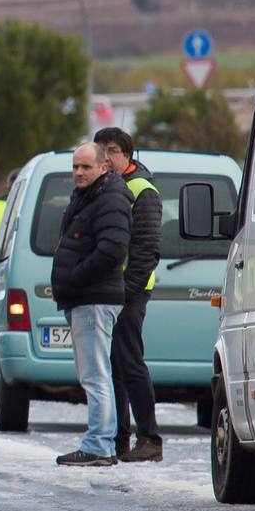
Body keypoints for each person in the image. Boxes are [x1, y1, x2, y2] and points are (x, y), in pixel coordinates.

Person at [52, 142, 134, 466]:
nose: (78, 173)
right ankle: (102, 441)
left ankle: (99, 443)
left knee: (95, 375)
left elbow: (113, 248)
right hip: (87, 297)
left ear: (103, 167)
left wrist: (75, 277)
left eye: (85, 166)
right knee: (96, 373)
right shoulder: (89, 196)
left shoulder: (109, 199)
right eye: (75, 167)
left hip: (94, 298)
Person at [94, 127, 164, 462]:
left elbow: (146, 250)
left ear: (127, 155)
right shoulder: (108, 187)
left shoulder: (141, 190)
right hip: (109, 291)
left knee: (130, 362)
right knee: (114, 365)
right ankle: (120, 439)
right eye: (101, 150)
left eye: (112, 150)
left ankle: (149, 437)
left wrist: (126, 291)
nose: (105, 157)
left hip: (130, 293)